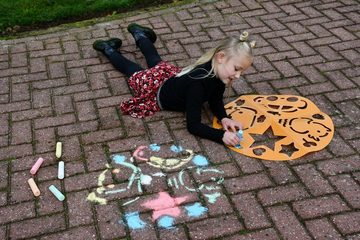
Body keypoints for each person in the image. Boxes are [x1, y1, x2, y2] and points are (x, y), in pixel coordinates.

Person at [93, 23, 255, 147]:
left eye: (242, 71)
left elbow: (215, 99)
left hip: (171, 78)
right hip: (155, 90)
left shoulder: (219, 73)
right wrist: (220, 136)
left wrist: (224, 118)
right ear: (220, 57)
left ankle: (139, 34)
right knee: (133, 70)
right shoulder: (198, 85)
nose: (238, 76)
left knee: (155, 61)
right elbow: (193, 125)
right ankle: (108, 49)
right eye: (236, 69)